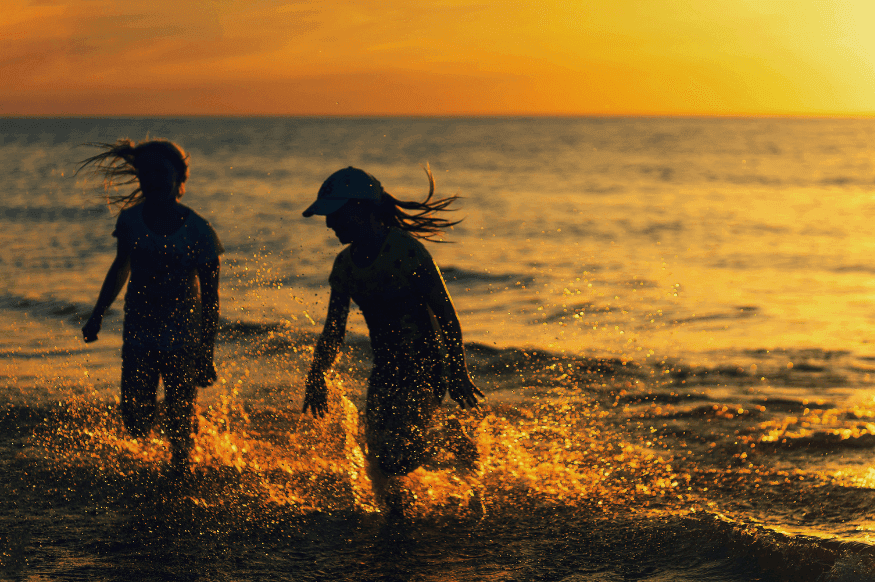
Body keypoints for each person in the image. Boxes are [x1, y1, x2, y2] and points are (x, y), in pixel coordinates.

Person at [301, 165, 484, 505]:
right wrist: (317, 375)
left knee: (399, 457)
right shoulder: (345, 266)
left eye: (335, 214)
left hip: (426, 367)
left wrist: (458, 370)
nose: (328, 224)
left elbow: (445, 313)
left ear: (361, 209)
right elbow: (333, 331)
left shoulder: (405, 251)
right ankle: (395, 516)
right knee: (377, 459)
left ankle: (451, 440)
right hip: (385, 370)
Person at [78, 138, 223, 476]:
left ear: (179, 177)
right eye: (146, 173)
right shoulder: (130, 221)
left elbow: (211, 299)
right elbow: (120, 268)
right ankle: (164, 440)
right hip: (139, 334)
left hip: (183, 338)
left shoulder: (199, 231)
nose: (154, 179)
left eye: (161, 172)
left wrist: (206, 352)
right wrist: (97, 315)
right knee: (135, 419)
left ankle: (181, 470)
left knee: (180, 420)